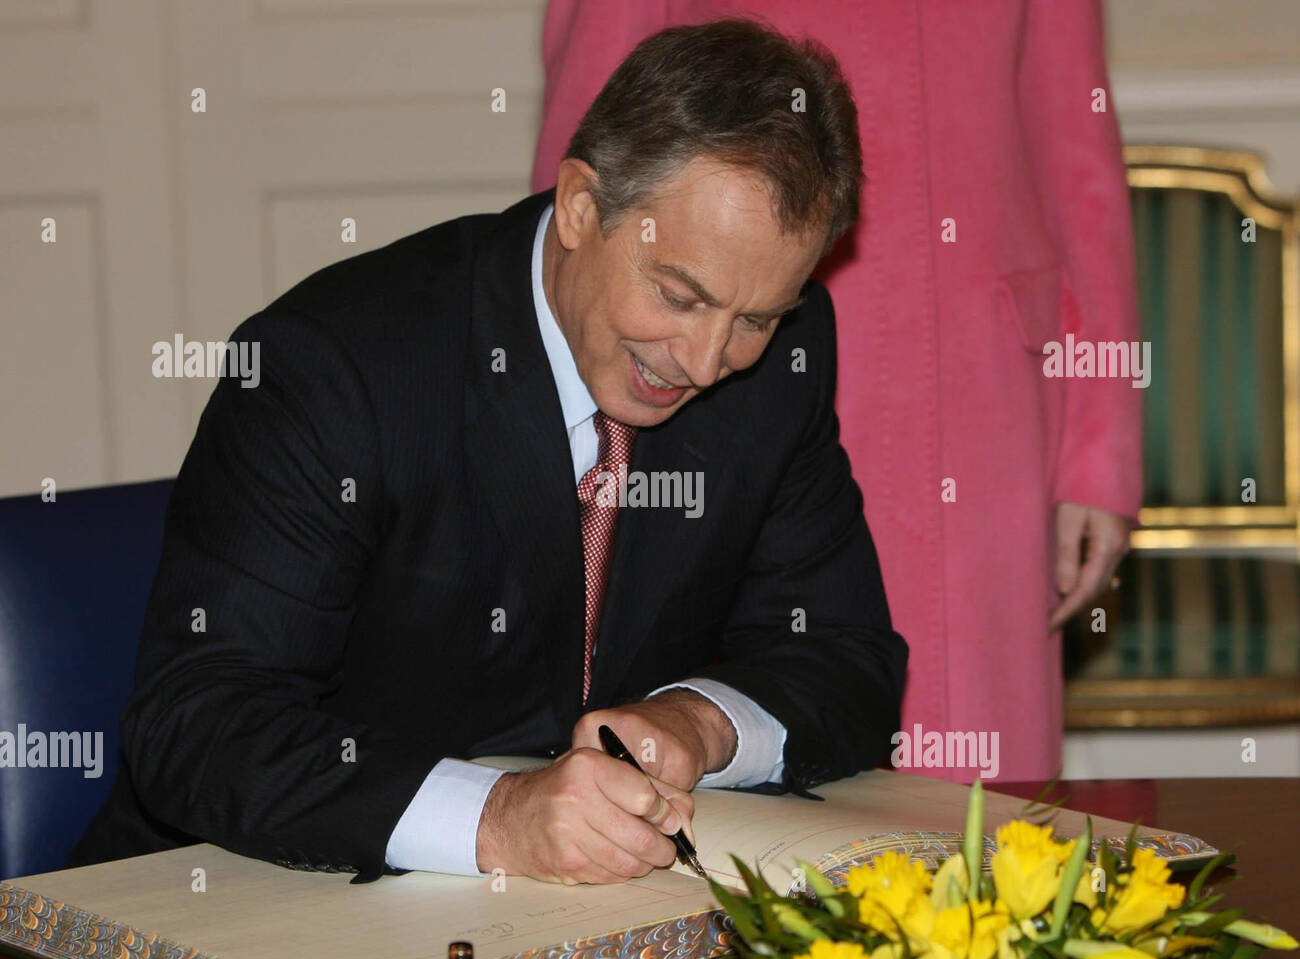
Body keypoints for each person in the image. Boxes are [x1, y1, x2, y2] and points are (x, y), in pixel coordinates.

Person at [70, 19, 907, 885]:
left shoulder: (771, 373)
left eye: (758, 320)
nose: (704, 363)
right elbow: (198, 722)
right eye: (677, 295)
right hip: (237, 899)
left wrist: (697, 724)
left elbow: (848, 657)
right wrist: (498, 818)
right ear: (582, 206)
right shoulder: (336, 367)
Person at [533, 1, 1143, 782]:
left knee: (990, 818)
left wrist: (1101, 445)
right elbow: (596, 139)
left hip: (984, 400)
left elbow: (1076, 154)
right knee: (741, 753)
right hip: (726, 377)